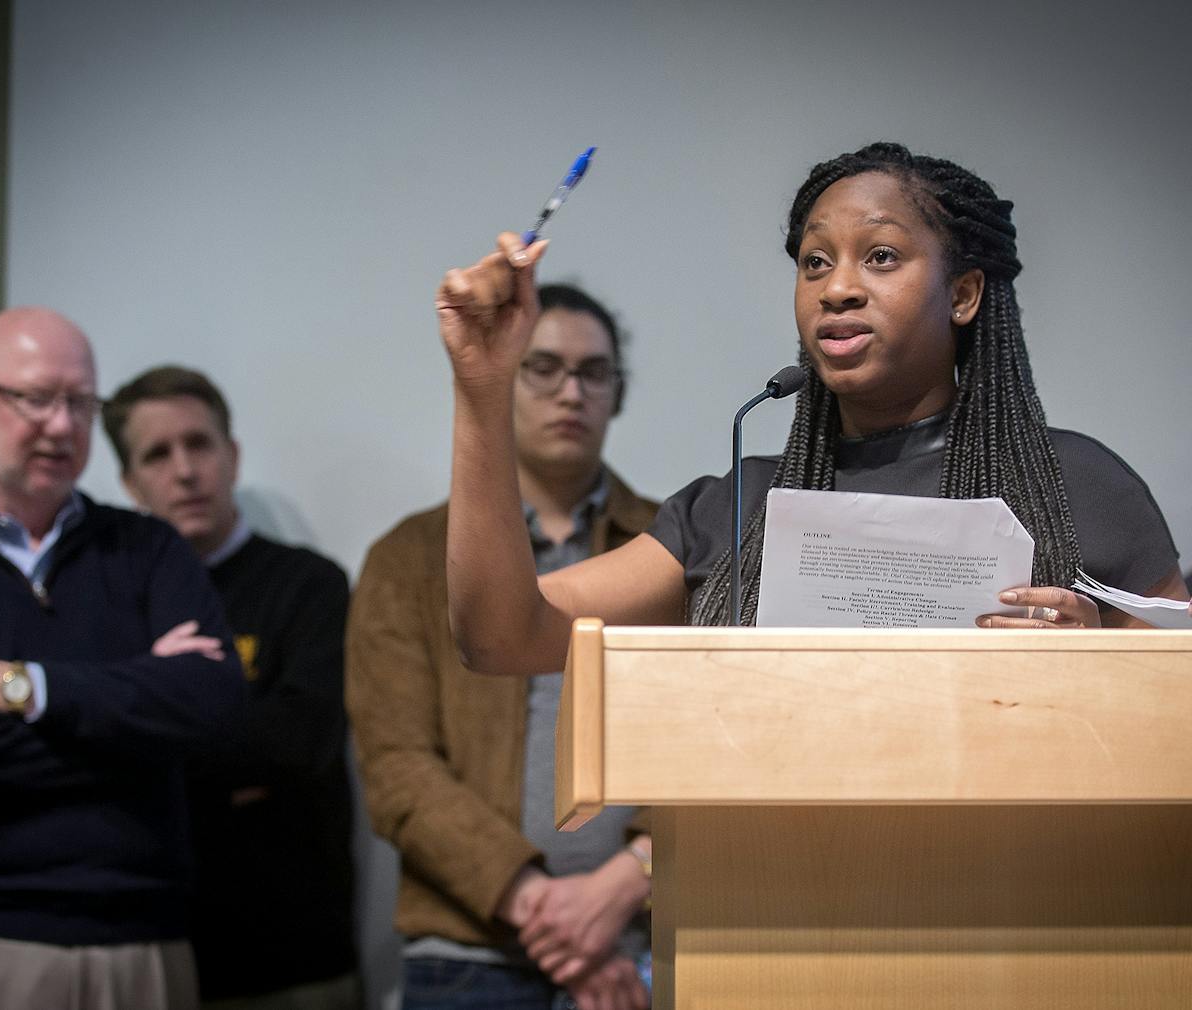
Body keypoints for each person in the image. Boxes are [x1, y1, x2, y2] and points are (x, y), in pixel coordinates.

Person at [433, 141, 1185, 681]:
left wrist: (1104, 665)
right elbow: (503, 638)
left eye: (881, 256)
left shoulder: (1078, 485)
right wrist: (480, 387)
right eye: (815, 261)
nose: (836, 288)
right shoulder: (737, 510)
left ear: (963, 294)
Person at [0, 308, 251, 1010]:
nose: (64, 426)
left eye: (80, 402)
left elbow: (211, 707)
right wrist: (134, 715)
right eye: (36, 399)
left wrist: (24, 687)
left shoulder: (151, 549)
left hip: (138, 944)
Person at [348, 284, 659, 1010]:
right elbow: (397, 770)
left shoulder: (672, 548)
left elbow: (716, 745)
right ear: (505, 377)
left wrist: (623, 886)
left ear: (617, 394)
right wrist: (548, 916)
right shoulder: (408, 557)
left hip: (641, 936)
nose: (570, 392)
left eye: (593, 372)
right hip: (468, 950)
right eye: (542, 367)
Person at [103, 365, 359, 1010]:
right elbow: (88, 746)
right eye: (157, 455)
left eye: (200, 444)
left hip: (295, 958)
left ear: (232, 455)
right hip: (148, 952)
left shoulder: (309, 586)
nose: (185, 471)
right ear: (131, 483)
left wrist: (150, 749)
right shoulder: (112, 608)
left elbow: (300, 741)